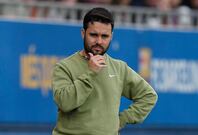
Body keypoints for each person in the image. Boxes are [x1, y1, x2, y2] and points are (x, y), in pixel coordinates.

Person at [51, 7, 158, 135]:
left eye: (104, 36)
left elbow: (149, 96)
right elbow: (65, 103)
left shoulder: (119, 68)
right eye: (93, 35)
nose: (99, 41)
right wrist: (91, 73)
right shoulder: (64, 67)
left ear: (111, 36)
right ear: (83, 33)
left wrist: (121, 120)